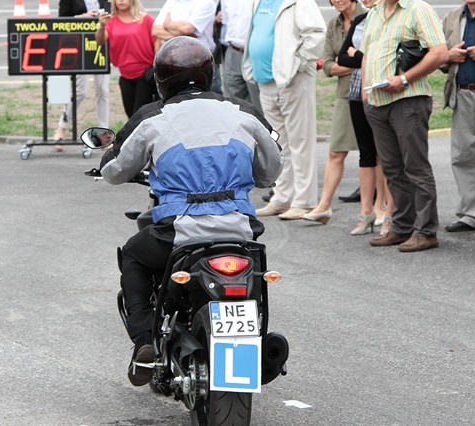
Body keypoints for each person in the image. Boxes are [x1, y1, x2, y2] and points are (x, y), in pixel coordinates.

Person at [98, 36, 283, 385]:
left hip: (178, 234)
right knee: (254, 274)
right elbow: (271, 171)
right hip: (240, 231)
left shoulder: (152, 117)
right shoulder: (244, 112)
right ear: (209, 72)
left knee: (135, 257)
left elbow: (115, 170)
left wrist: (109, 158)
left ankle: (144, 343)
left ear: (160, 79)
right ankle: (254, 344)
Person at [360, 0, 448, 252]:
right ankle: (402, 226)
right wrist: (367, 98)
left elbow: (440, 52)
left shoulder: (417, 8)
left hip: (408, 99)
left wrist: (405, 78)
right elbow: (367, 55)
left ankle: (426, 231)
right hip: (377, 101)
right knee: (392, 169)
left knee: (416, 168)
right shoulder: (375, 12)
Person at [246, 0, 326, 220]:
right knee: (279, 143)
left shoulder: (299, 1)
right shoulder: (259, 2)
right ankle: (282, 198)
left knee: (300, 141)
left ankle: (304, 201)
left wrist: (296, 63)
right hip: (266, 81)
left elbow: (317, 33)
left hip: (292, 79)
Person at [300, 0, 365, 230]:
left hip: (368, 92)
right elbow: (327, 66)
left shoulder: (367, 17)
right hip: (344, 95)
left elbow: (374, 58)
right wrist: (359, 61)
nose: (336, 0)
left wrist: (353, 61)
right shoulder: (333, 24)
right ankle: (323, 206)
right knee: (336, 151)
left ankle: (379, 208)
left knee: (375, 155)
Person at [439, 0, 475, 233]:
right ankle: (470, 215)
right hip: (462, 93)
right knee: (462, 157)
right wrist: (448, 55)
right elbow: (438, 57)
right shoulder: (452, 17)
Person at [337, 0, 394, 236]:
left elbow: (384, 55)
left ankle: (388, 213)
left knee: (388, 154)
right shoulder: (360, 21)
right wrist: (362, 57)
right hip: (356, 94)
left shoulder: (390, 19)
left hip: (381, 92)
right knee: (366, 153)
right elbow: (342, 57)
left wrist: (358, 54)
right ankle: (366, 213)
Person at [52, 0, 112, 150]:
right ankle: (62, 127)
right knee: (80, 91)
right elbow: (61, 21)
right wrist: (81, 17)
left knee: (103, 90)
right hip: (78, 46)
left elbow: (115, 15)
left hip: (101, 47)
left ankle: (103, 134)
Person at [96, 0, 157, 118]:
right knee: (131, 116)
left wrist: (156, 66)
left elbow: (157, 40)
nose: (121, 1)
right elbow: (100, 41)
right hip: (125, 75)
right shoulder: (111, 21)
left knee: (139, 115)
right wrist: (102, 26)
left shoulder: (144, 18)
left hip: (144, 74)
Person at [218, 0, 261, 111]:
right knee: (232, 103)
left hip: (255, 52)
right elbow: (227, 21)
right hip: (233, 50)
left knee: (259, 102)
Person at [152, 0, 217, 54]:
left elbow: (186, 29)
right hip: (170, 54)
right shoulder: (171, 1)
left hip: (197, 56)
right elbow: (155, 31)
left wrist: (167, 25)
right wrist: (186, 35)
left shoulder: (205, 2)